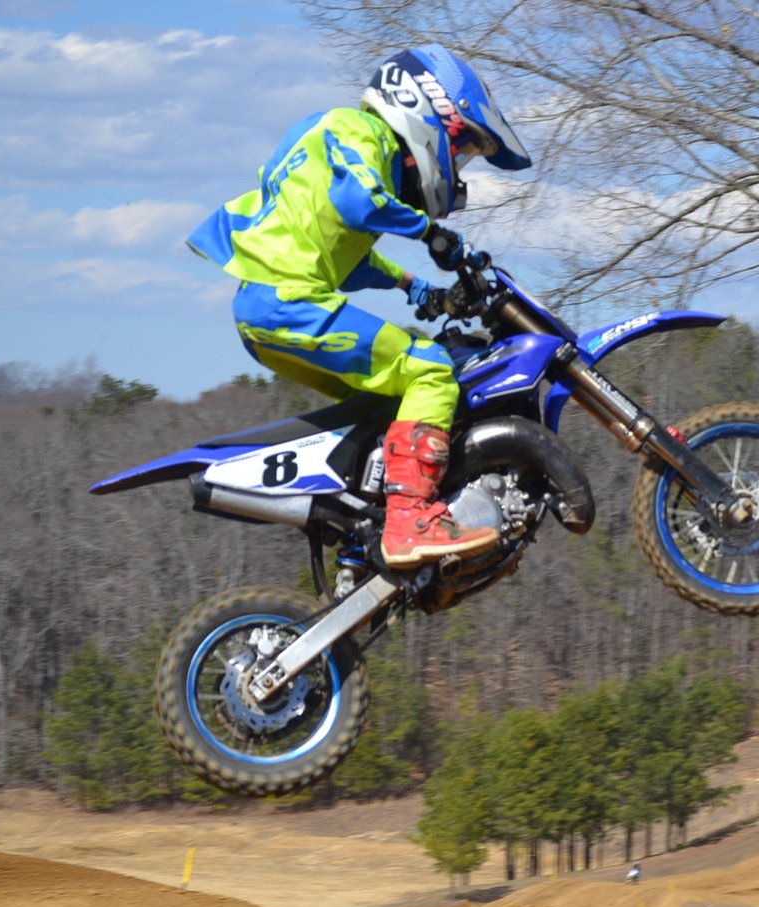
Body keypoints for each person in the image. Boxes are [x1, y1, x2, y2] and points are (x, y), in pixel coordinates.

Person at [187, 44, 531, 567]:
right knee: (431, 373)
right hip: (290, 303)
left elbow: (342, 254)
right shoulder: (361, 132)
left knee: (384, 405)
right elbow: (359, 203)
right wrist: (431, 234)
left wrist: (417, 288)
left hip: (266, 309)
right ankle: (410, 519)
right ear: (427, 110)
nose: (458, 166)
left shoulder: (334, 135)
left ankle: (364, 528)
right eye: (461, 149)